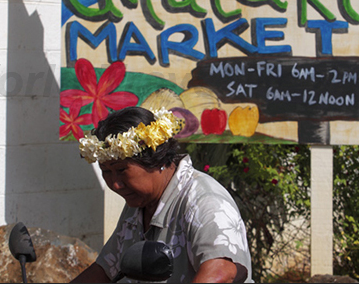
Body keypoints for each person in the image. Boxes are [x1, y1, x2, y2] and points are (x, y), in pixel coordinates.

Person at [71, 106, 252, 283]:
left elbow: (222, 272)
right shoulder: (139, 203)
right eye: (106, 172)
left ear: (155, 159)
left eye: (122, 170)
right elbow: (105, 269)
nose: (115, 184)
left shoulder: (205, 201)